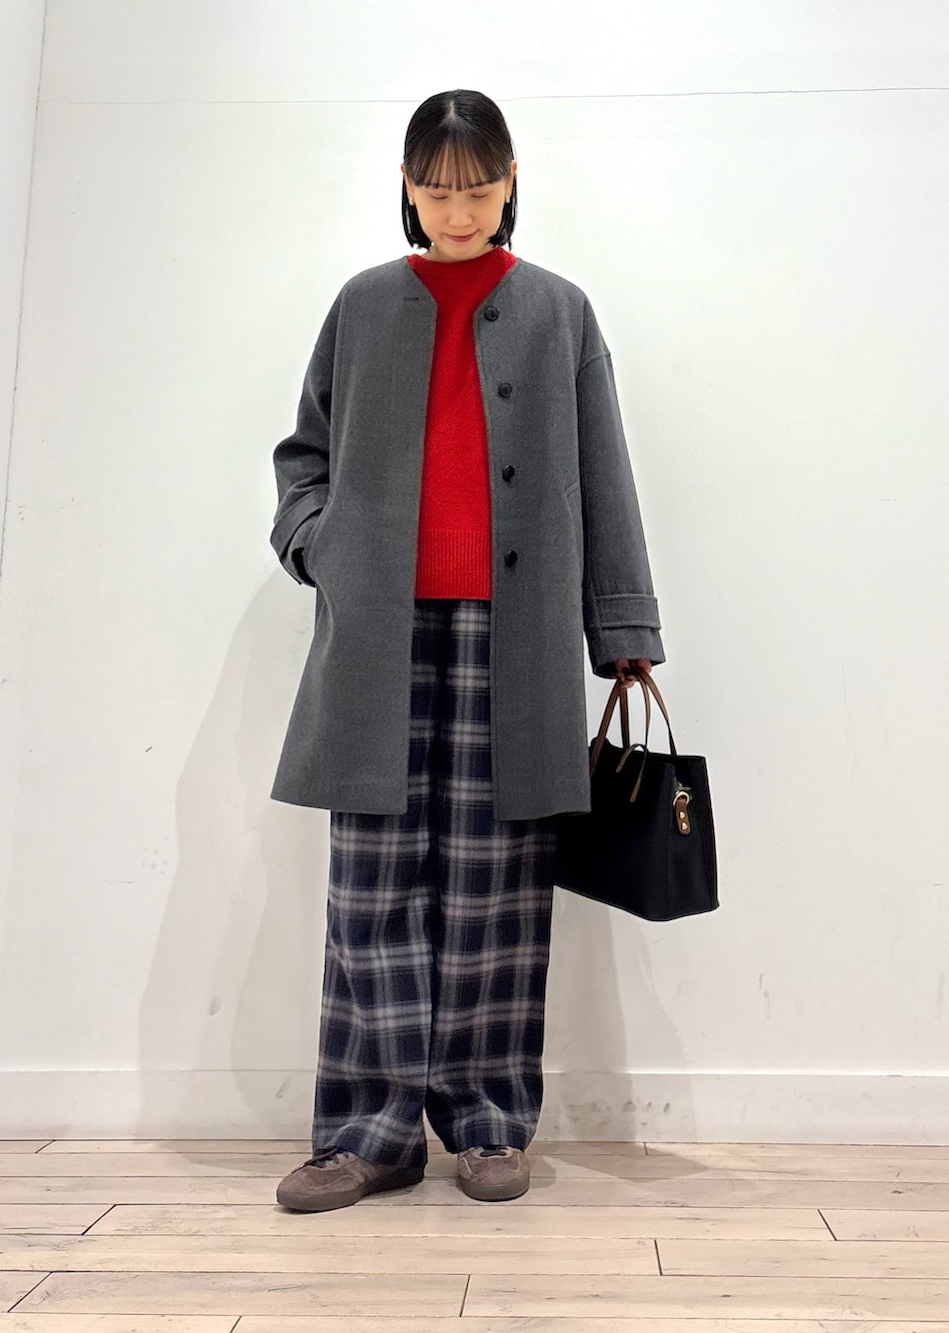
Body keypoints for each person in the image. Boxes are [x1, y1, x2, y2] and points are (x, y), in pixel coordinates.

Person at [270, 90, 664, 1212]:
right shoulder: (361, 304)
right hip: (375, 637)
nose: (458, 210)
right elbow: (302, 457)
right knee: (372, 888)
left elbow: (605, 473)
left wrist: (623, 630)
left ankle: (489, 1120)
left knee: (497, 890)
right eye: (437, 189)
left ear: (510, 183)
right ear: (406, 187)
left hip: (516, 635)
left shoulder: (559, 311)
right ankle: (368, 1135)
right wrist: (319, 544)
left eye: (478, 188)